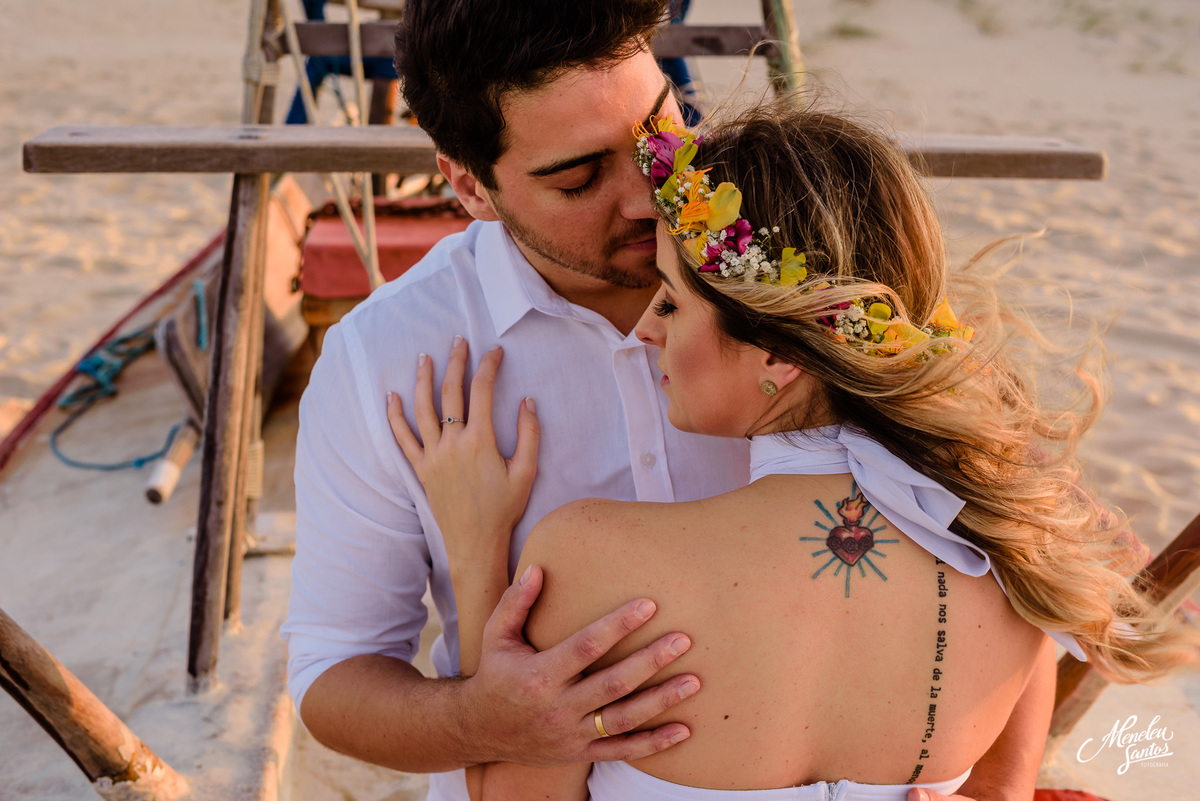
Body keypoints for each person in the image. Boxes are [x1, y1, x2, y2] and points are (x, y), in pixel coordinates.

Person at [283, 1, 1064, 799]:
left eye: (660, 134)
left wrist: (997, 789)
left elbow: (996, 508)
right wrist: (489, 717)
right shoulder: (381, 361)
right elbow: (333, 670)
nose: (649, 194)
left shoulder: (789, 258)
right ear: (468, 184)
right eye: (580, 177)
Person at [386, 101, 1198, 800]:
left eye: (672, 301)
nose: (647, 330)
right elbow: (1001, 788)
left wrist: (475, 546)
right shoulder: (1016, 546)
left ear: (778, 354)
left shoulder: (591, 558)